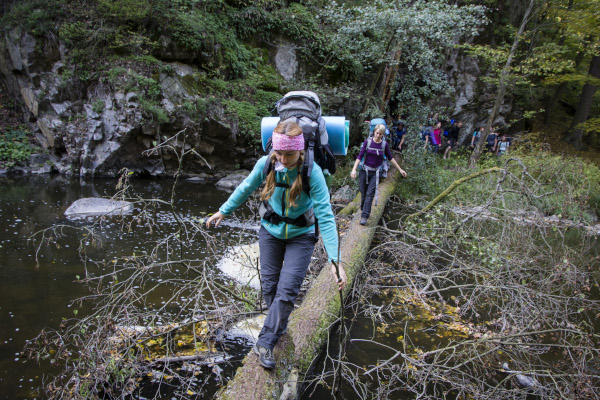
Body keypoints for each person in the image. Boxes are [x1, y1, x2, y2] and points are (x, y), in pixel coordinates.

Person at [206, 120, 347, 369]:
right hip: (270, 231)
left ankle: (265, 342)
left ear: (301, 150)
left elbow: (325, 215)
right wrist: (223, 211)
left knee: (288, 289)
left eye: (289, 154)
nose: (282, 158)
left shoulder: (311, 171)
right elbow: (245, 187)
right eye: (279, 152)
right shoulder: (268, 163)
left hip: (301, 235)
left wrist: (335, 261)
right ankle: (277, 331)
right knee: (270, 287)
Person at [350, 124, 407, 226]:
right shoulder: (368, 142)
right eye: (377, 133)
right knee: (363, 192)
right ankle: (364, 208)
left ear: (382, 134)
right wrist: (354, 169)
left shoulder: (384, 145)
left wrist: (400, 169)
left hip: (376, 173)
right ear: (374, 132)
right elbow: (360, 156)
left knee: (370, 194)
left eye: (380, 134)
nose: (378, 135)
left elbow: (390, 158)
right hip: (364, 171)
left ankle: (364, 216)